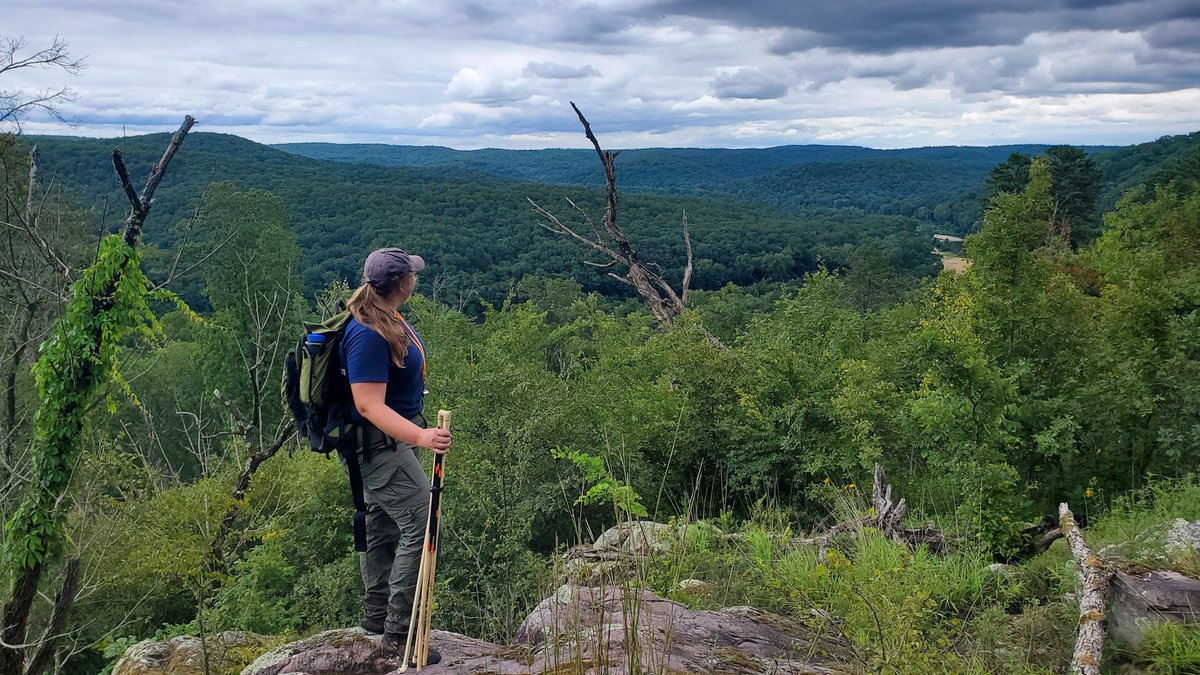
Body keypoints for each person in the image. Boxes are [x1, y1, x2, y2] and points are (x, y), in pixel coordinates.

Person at [342, 247, 451, 663]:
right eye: (413, 275)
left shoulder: (384, 314)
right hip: (382, 447)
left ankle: (375, 617)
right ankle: (398, 634)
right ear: (403, 283)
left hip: (391, 443)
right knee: (423, 520)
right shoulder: (368, 332)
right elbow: (368, 404)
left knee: (384, 524)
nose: (415, 280)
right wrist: (421, 437)